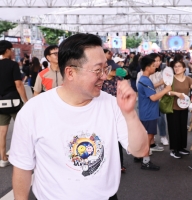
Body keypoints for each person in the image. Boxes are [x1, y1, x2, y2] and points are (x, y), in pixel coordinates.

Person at [9, 34, 148, 199]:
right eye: (98, 70)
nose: (104, 76)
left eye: (106, 68)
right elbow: (22, 167)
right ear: (70, 73)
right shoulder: (34, 110)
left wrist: (130, 113)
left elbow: (141, 151)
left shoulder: (112, 104)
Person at [137, 55, 171, 170]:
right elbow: (153, 97)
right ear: (147, 67)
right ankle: (145, 161)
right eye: (152, 65)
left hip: (147, 112)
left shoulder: (144, 79)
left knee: (148, 137)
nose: (155, 67)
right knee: (148, 137)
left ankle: (141, 156)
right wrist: (166, 90)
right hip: (148, 113)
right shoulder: (145, 80)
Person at [167, 61, 192, 159]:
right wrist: (176, 94)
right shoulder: (171, 79)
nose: (176, 68)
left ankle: (181, 147)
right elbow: (167, 92)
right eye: (175, 66)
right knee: (174, 128)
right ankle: (174, 150)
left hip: (183, 107)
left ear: (184, 68)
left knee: (182, 128)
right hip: (173, 107)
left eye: (179, 66)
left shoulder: (188, 79)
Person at [0, 40, 28, 167]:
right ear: (7, 50)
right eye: (11, 49)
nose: (12, 52)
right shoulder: (13, 65)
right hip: (15, 102)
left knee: (2, 131)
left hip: (1, 103)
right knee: (23, 128)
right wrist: (25, 101)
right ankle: (24, 155)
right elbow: (19, 84)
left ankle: (3, 158)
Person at [102, 52, 127, 173]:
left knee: (117, 139)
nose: (115, 72)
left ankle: (119, 164)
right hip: (102, 113)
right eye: (113, 70)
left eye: (115, 70)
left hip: (117, 112)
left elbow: (125, 74)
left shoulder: (119, 79)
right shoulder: (99, 81)